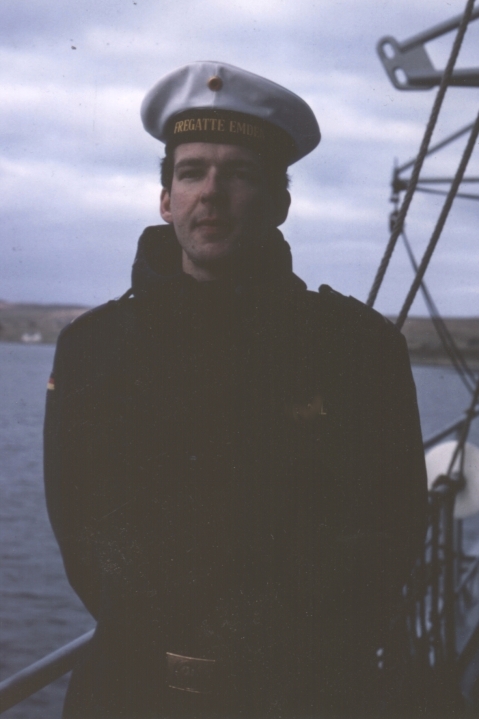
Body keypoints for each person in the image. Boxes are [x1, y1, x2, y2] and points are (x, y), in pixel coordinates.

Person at [44, 61, 427, 718]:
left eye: (241, 173)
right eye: (191, 172)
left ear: (280, 203)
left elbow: (391, 531)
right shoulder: (92, 349)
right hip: (129, 695)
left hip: (306, 696)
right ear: (166, 199)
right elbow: (83, 539)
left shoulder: (357, 348)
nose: (211, 194)